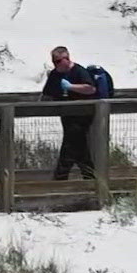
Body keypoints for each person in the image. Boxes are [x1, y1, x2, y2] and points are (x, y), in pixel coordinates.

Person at [38, 47, 100, 180]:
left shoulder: (79, 71)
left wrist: (71, 87)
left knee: (70, 145)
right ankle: (90, 177)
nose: (56, 64)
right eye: (54, 61)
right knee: (79, 146)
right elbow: (46, 94)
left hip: (83, 115)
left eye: (59, 61)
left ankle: (60, 178)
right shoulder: (55, 74)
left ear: (67, 59)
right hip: (66, 116)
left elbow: (90, 89)